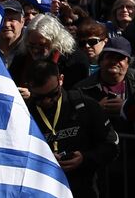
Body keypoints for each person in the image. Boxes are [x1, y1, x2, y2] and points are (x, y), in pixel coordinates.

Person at [22, 57, 120, 198]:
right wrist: (43, 159)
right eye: (38, 97)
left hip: (83, 188)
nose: (47, 101)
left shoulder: (85, 105)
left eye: (52, 94)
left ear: (60, 79)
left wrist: (84, 158)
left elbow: (111, 146)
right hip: (40, 190)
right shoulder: (23, 113)